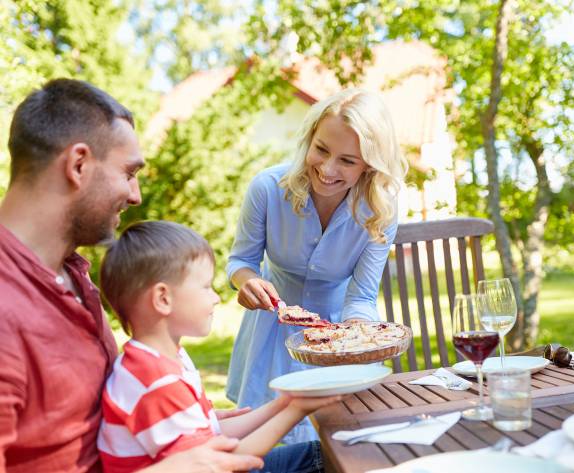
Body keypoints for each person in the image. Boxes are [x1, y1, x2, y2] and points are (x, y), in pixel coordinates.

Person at [0, 79, 263, 472]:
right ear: (78, 165)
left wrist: (192, 424)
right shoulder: (8, 306)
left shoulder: (72, 275)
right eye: (129, 172)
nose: (136, 194)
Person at [226, 88, 408, 443]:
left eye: (347, 161)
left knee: (338, 445)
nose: (327, 169)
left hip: (338, 336)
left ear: (369, 164)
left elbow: (362, 297)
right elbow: (241, 262)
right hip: (271, 333)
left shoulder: (380, 211)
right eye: (321, 149)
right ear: (309, 139)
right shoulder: (266, 188)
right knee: (267, 447)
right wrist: (245, 282)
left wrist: (355, 340)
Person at [98, 220, 339, 472]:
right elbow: (220, 462)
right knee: (330, 460)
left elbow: (210, 432)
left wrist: (284, 403)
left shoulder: (166, 359)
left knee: (326, 455)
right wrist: (297, 410)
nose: (215, 298)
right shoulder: (155, 381)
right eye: (206, 287)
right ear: (163, 298)